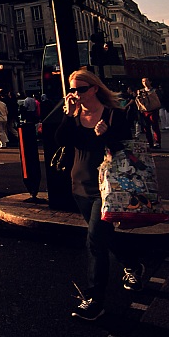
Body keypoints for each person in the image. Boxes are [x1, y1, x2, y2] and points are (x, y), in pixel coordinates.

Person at [49, 69, 142, 321]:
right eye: (72, 90)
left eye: (80, 89)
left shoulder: (114, 114)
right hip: (79, 184)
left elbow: (124, 150)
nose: (75, 94)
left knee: (94, 240)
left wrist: (106, 135)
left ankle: (94, 299)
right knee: (105, 237)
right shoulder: (75, 115)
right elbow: (60, 140)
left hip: (107, 187)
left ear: (94, 89)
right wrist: (68, 115)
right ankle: (133, 264)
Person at [133, 77, 162, 149]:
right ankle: (150, 142)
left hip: (153, 110)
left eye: (146, 81)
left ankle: (157, 142)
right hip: (144, 111)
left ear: (150, 82)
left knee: (155, 126)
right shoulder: (141, 91)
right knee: (146, 127)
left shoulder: (154, 90)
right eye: (143, 81)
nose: (144, 83)